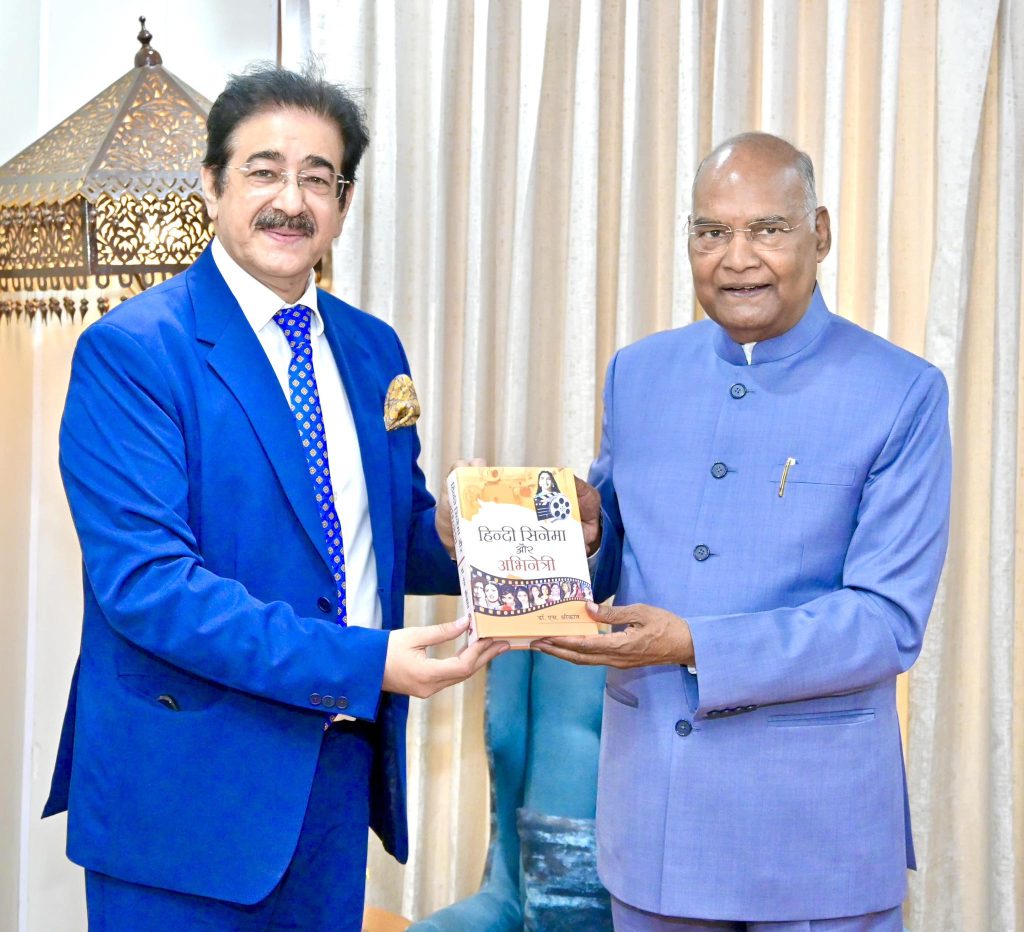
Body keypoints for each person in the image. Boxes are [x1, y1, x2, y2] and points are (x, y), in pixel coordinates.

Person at [43, 64, 506, 931]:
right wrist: (365, 663)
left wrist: (487, 533)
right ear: (212, 183)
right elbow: (149, 588)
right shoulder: (134, 351)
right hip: (182, 802)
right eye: (264, 171)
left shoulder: (372, 349)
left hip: (331, 786)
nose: (291, 201)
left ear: (344, 202)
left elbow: (381, 537)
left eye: (318, 178)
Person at [536, 132, 951, 930]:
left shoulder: (901, 392)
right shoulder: (638, 372)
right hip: (655, 825)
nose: (737, 258)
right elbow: (618, 554)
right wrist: (585, 537)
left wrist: (696, 643)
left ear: (819, 233)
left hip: (816, 837)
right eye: (711, 232)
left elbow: (886, 622)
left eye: (768, 229)